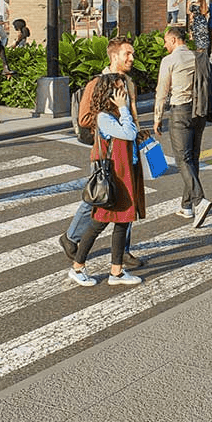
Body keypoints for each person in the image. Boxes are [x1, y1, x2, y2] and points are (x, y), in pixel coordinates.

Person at [62, 40, 147, 286]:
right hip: (108, 159)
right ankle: (72, 243)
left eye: (133, 53)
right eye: (127, 53)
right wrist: (113, 126)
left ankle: (118, 264)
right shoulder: (99, 85)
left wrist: (134, 128)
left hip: (125, 155)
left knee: (121, 213)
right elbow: (87, 117)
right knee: (98, 201)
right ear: (114, 56)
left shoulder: (127, 82)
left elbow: (131, 117)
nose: (132, 57)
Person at [155, 26, 212, 228]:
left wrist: (157, 117)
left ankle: (199, 200)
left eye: (165, 41)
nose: (164, 45)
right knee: (192, 158)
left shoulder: (170, 60)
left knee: (182, 159)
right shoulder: (196, 57)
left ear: (173, 40)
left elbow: (162, 91)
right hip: (199, 111)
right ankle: (186, 206)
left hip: (180, 111)